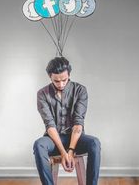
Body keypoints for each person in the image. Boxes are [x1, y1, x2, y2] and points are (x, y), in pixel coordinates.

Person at [33, 57, 101, 185]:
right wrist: (63, 153)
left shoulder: (80, 90)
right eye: (56, 81)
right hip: (53, 139)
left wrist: (70, 150)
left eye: (64, 80)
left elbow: (78, 123)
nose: (61, 84)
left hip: (76, 138)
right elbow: (50, 125)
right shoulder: (42, 94)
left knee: (95, 143)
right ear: (50, 77)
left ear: (69, 75)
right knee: (39, 145)